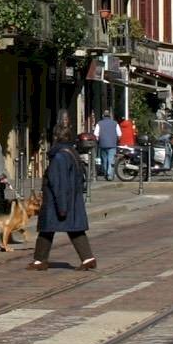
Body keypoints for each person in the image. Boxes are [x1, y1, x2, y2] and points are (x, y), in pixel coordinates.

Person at [29, 137, 95, 271]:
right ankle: (87, 258)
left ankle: (40, 260)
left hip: (57, 202)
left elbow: (58, 183)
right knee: (71, 229)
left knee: (48, 228)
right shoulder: (71, 153)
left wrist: (62, 206)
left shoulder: (59, 158)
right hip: (71, 200)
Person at [94, 110, 119, 179]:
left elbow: (96, 134)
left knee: (104, 159)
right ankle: (109, 174)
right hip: (112, 144)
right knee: (110, 159)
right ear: (109, 116)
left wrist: (99, 140)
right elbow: (119, 134)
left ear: (103, 116)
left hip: (103, 144)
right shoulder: (115, 123)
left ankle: (105, 172)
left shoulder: (99, 123)